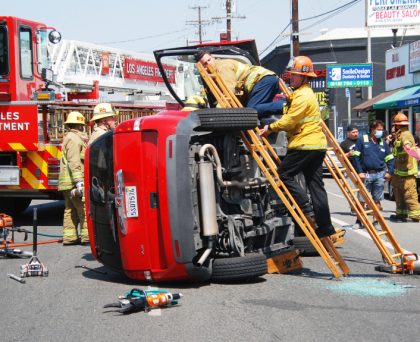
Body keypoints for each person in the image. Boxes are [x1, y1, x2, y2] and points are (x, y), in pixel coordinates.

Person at [259, 55, 335, 238]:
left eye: (294, 75)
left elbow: (290, 121)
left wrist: (270, 127)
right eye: (290, 75)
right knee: (315, 185)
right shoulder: (301, 94)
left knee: (284, 174)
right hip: (316, 146)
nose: (290, 78)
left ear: (304, 77)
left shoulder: (303, 96)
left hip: (304, 144)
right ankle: (325, 226)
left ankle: (305, 207)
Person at [196, 51, 284, 120]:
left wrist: (219, 110)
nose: (208, 64)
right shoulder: (215, 72)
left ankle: (285, 104)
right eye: (205, 63)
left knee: (252, 111)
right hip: (267, 79)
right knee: (259, 111)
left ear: (213, 57)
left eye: (209, 60)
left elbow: (229, 90)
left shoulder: (222, 67)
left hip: (262, 80)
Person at [352, 120, 394, 229]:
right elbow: (356, 157)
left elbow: (390, 159)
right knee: (361, 199)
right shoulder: (362, 140)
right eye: (378, 130)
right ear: (372, 130)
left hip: (379, 175)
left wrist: (389, 172)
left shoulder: (382, 143)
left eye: (382, 130)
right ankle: (359, 221)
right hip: (365, 174)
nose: (381, 132)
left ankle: (375, 221)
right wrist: (360, 172)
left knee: (377, 199)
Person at [58, 111, 89, 245]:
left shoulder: (69, 137)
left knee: (70, 210)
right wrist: (79, 182)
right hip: (73, 182)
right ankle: (86, 237)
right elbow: (74, 161)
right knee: (83, 209)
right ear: (80, 125)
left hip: (67, 183)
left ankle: (70, 237)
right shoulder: (74, 139)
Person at [389, 113, 420, 222]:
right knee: (399, 193)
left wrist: (409, 149)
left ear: (397, 125)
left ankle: (416, 216)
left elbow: (407, 145)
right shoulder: (399, 134)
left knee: (409, 195)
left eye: (394, 125)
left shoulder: (406, 134)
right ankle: (401, 215)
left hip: (407, 173)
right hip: (399, 172)